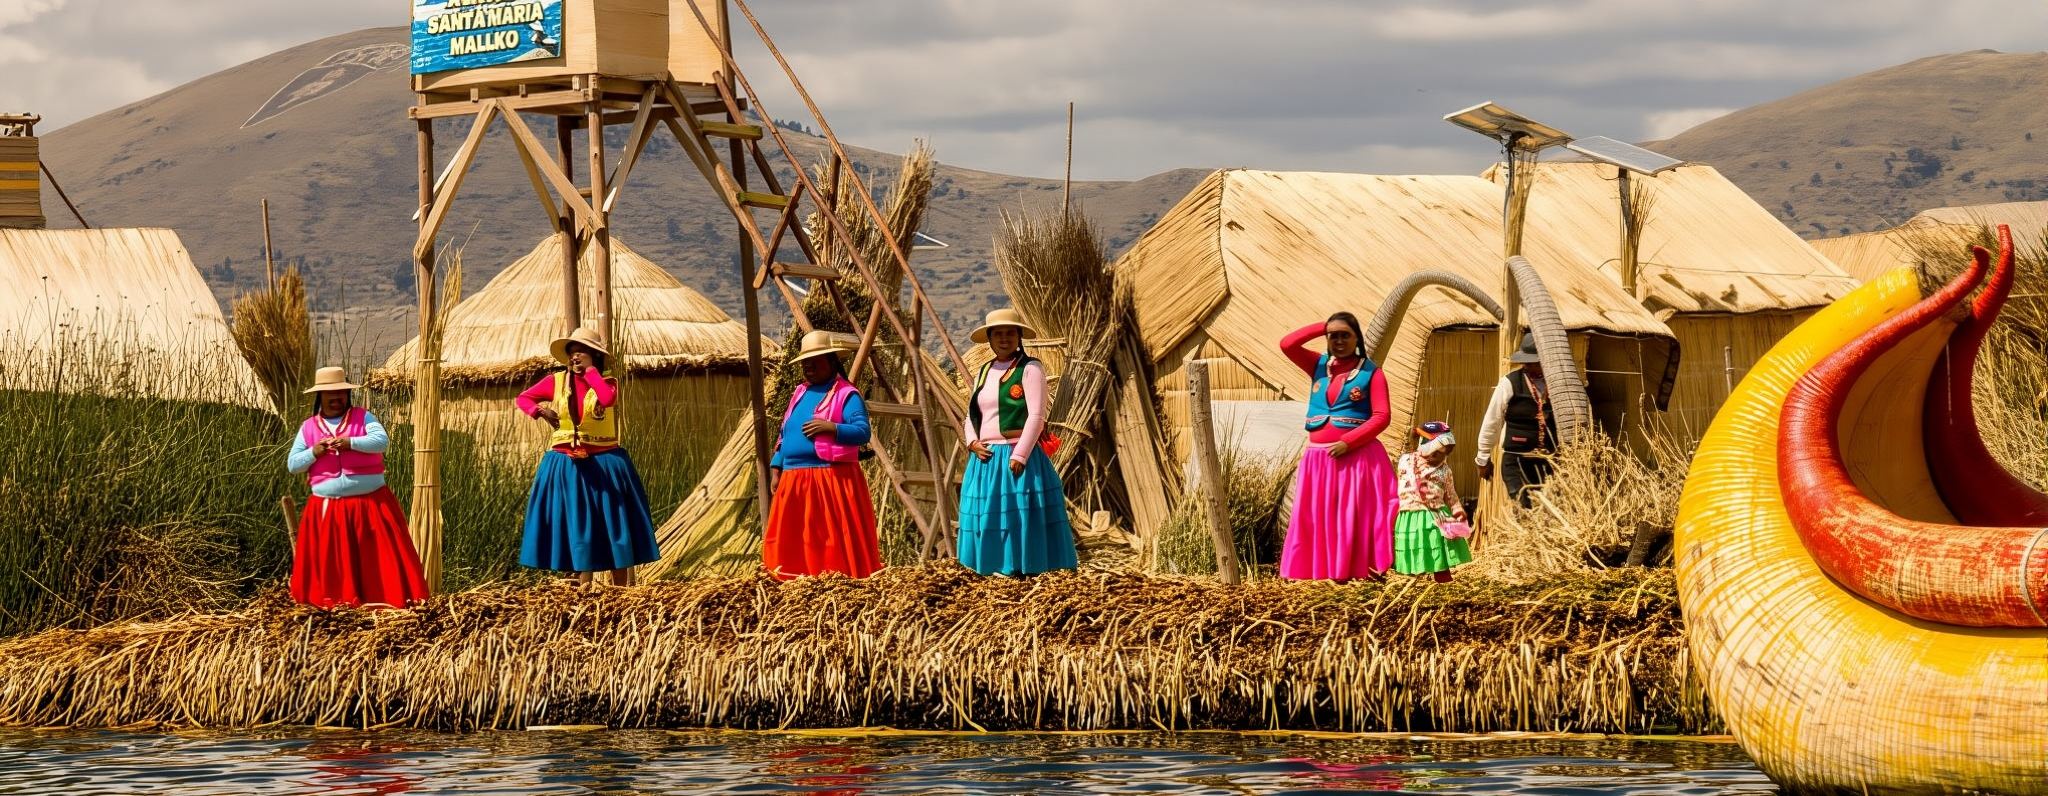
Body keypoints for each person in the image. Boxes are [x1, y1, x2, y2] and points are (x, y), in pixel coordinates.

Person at [514, 326, 660, 585]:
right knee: (575, 524)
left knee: (612, 524)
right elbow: (523, 399)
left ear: (596, 356)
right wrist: (540, 411)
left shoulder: (608, 383)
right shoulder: (556, 381)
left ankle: (619, 590)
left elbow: (606, 399)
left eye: (582, 352)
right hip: (567, 465)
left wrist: (591, 372)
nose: (575, 356)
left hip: (605, 463)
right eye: (572, 352)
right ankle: (581, 587)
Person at [286, 366, 429, 609]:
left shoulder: (364, 418)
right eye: (330, 394)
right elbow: (293, 464)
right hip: (328, 511)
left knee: (379, 559)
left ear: (347, 394)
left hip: (371, 505)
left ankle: (388, 603)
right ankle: (336, 606)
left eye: (340, 392)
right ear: (320, 396)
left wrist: (350, 442)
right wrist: (315, 451)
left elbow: (381, 441)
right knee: (333, 563)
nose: (336, 398)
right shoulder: (308, 427)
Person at [1277, 312, 1399, 581]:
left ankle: (1351, 572)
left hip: (1354, 459)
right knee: (1317, 517)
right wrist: (1323, 326)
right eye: (1334, 335)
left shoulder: (1371, 373)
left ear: (1357, 339)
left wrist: (1348, 442)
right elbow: (1287, 344)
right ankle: (1321, 572)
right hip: (1317, 461)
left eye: (1346, 335)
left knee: (1349, 518)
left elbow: (1382, 416)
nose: (1339, 340)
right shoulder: (1318, 365)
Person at [957, 308, 1077, 576]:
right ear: (989, 338)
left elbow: (1036, 416)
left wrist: (1020, 455)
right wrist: (972, 442)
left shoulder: (1030, 369)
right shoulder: (984, 371)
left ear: (1019, 336)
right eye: (998, 334)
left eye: (1010, 333)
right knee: (986, 515)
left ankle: (1024, 568)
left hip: (1016, 457)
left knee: (1018, 516)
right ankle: (988, 567)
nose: (1004, 338)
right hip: (985, 459)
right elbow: (972, 414)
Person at [763, 331, 882, 579]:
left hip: (829, 480)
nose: (809, 368)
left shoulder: (846, 394)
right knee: (793, 537)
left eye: (815, 362)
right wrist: (776, 467)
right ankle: (792, 579)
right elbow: (785, 432)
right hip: (793, 481)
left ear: (832, 361)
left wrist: (832, 428)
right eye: (805, 363)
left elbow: (862, 432)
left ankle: (832, 581)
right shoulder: (800, 392)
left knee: (827, 539)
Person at [1476, 332, 1557, 507]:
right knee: (1522, 506)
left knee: (1547, 510)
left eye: (1535, 362)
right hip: (1516, 460)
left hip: (1548, 461)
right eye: (1527, 362)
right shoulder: (1510, 383)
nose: (1529, 365)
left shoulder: (1557, 384)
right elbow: (1493, 420)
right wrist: (1483, 457)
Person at [1393, 421, 1471, 582]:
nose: (1441, 457)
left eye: (1445, 453)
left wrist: (1458, 512)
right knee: (1414, 544)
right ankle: (1414, 575)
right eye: (1437, 452)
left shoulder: (1445, 470)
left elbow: (1451, 495)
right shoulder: (1405, 460)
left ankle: (1441, 573)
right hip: (1409, 514)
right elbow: (1410, 445)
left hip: (1435, 515)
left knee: (1436, 542)